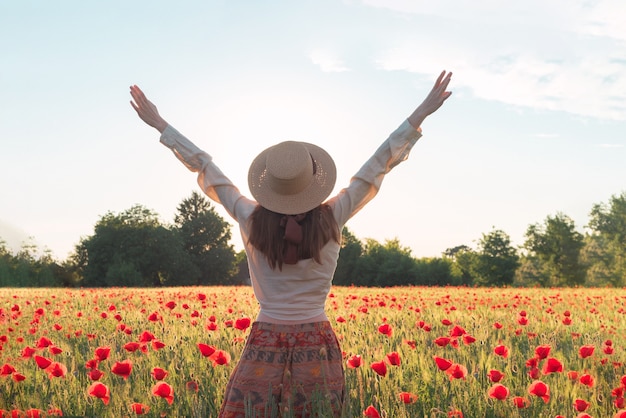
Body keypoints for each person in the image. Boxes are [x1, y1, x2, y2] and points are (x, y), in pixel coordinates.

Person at [130, 70, 452, 417]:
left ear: (270, 185)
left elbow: (207, 168)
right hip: (317, 342)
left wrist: (162, 125)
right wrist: (420, 114)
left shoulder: (251, 218)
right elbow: (377, 166)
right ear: (313, 181)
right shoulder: (333, 215)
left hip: (265, 339)